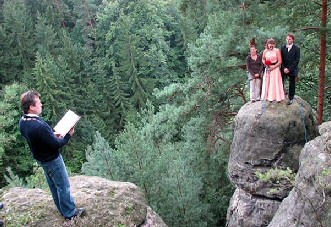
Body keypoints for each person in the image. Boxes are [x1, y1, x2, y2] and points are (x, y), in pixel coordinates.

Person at [19, 91, 86, 220]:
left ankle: (62, 209)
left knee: (54, 186)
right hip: (52, 159)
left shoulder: (23, 122)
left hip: (42, 159)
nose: (41, 104)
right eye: (38, 103)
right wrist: (68, 135)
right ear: (31, 107)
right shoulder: (38, 126)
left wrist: (51, 136)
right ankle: (70, 213)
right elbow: (56, 145)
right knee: (63, 186)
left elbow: (38, 139)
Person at [261, 38, 285, 103]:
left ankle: (277, 97)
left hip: (275, 68)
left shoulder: (277, 51)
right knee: (268, 82)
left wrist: (273, 67)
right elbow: (263, 59)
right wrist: (266, 64)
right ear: (267, 45)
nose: (271, 46)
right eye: (270, 44)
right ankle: (268, 97)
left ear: (274, 45)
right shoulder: (265, 51)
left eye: (272, 44)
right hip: (268, 68)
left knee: (274, 82)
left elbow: (280, 61)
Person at [281, 33, 300, 105]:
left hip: (292, 69)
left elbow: (297, 60)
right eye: (287, 39)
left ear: (293, 40)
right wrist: (284, 68)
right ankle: (282, 94)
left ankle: (291, 97)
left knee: (292, 84)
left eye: (290, 39)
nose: (288, 40)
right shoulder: (283, 48)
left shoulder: (297, 48)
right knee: (281, 81)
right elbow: (281, 59)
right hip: (284, 68)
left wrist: (289, 68)